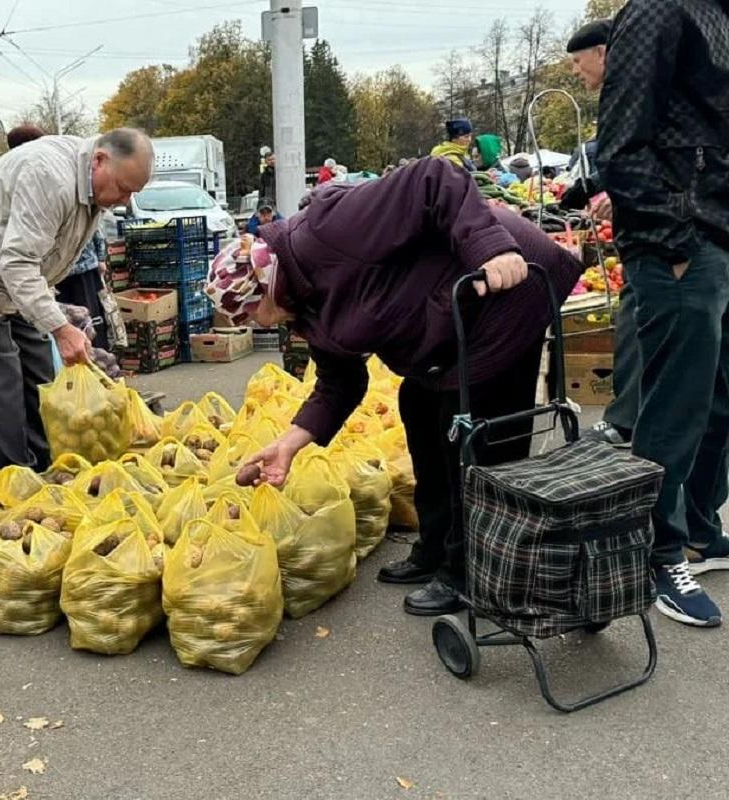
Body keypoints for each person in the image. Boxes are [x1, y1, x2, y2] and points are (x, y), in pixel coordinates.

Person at [204, 158, 582, 615]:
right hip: (451, 313)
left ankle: (470, 570)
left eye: (249, 316)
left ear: (265, 291)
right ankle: (437, 546)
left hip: (507, 283)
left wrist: (490, 248)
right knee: (417, 404)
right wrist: (288, 445)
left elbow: (435, 177)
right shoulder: (304, 305)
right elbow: (338, 383)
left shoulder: (328, 231)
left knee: (469, 427)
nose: (253, 326)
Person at [598, 0, 729, 627]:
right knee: (674, 409)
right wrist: (671, 241)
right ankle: (655, 553)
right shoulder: (660, 8)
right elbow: (620, 143)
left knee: (716, 400)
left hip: (716, 236)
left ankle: (701, 529)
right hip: (682, 241)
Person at [0, 128, 153, 468]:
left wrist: (52, 321)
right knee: (0, 381)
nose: (123, 201)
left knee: (40, 370)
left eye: (132, 193)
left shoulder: (93, 183)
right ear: (100, 159)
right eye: (122, 188)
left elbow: (35, 260)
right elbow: (17, 263)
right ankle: (15, 479)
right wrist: (61, 328)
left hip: (16, 278)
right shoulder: (50, 177)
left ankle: (48, 465)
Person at [555, 19, 637, 449]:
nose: (574, 71)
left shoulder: (630, 89)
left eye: (577, 60)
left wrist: (612, 191)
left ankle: (626, 423)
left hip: (662, 239)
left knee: (635, 318)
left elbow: (638, 154)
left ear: (602, 52)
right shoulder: (627, 89)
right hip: (658, 235)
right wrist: (593, 186)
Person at [54, 230, 109, 350]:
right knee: (65, 317)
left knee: (89, 317)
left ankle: (97, 354)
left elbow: (96, 231)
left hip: (84, 270)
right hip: (58, 273)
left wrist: (101, 258)